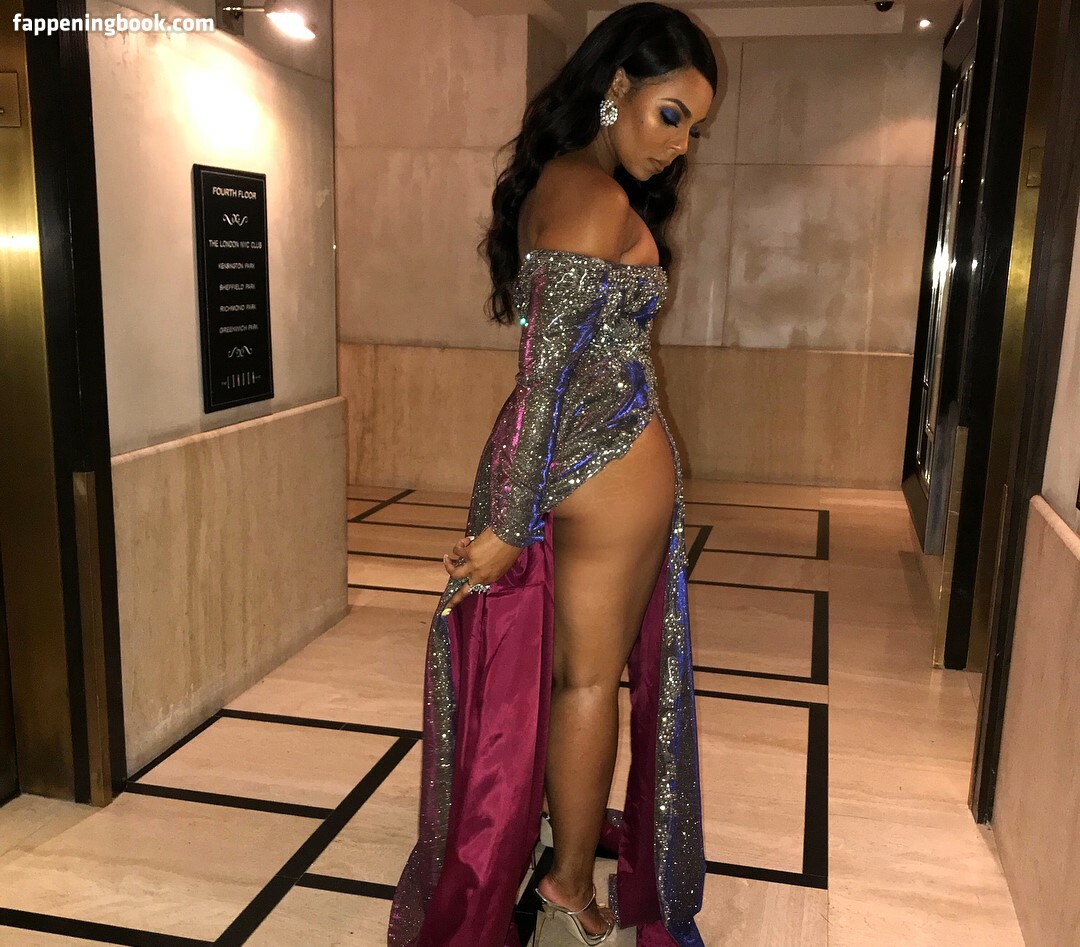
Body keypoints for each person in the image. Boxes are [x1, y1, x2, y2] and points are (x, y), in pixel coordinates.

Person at [388, 4, 720, 945]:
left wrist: (513, 507)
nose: (680, 145)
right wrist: (506, 523)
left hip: (568, 466)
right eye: (670, 115)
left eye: (693, 128)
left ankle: (549, 853)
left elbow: (544, 378)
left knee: (562, 675)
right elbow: (545, 375)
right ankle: (569, 882)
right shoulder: (593, 198)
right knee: (585, 681)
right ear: (617, 87)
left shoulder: (558, 184)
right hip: (607, 471)